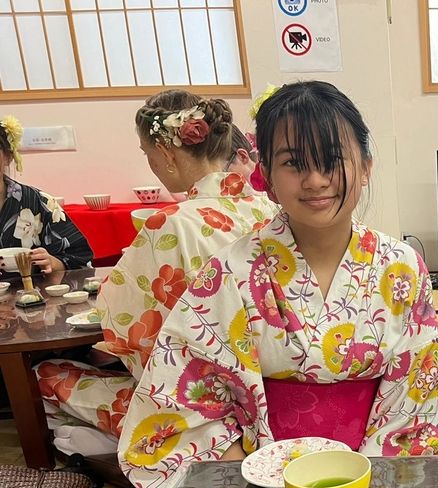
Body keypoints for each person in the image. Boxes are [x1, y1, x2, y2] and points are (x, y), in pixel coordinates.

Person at [119, 81, 438, 488]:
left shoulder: (401, 267)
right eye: (294, 163)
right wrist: (256, 467)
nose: (315, 180)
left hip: (374, 478)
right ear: (268, 179)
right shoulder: (230, 272)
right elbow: (180, 399)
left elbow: (417, 396)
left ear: (365, 166)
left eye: (332, 160)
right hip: (261, 480)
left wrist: (362, 482)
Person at [35, 91, 278, 456]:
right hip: (277, 392)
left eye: (146, 153)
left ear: (165, 153)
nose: (150, 161)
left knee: (45, 373)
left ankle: (126, 447)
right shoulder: (272, 210)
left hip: (205, 406)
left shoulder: (171, 223)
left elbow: (125, 328)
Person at [0, 114, 92, 276]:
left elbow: (81, 261)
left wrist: (53, 263)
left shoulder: (38, 202)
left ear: (8, 156)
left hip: (30, 296)